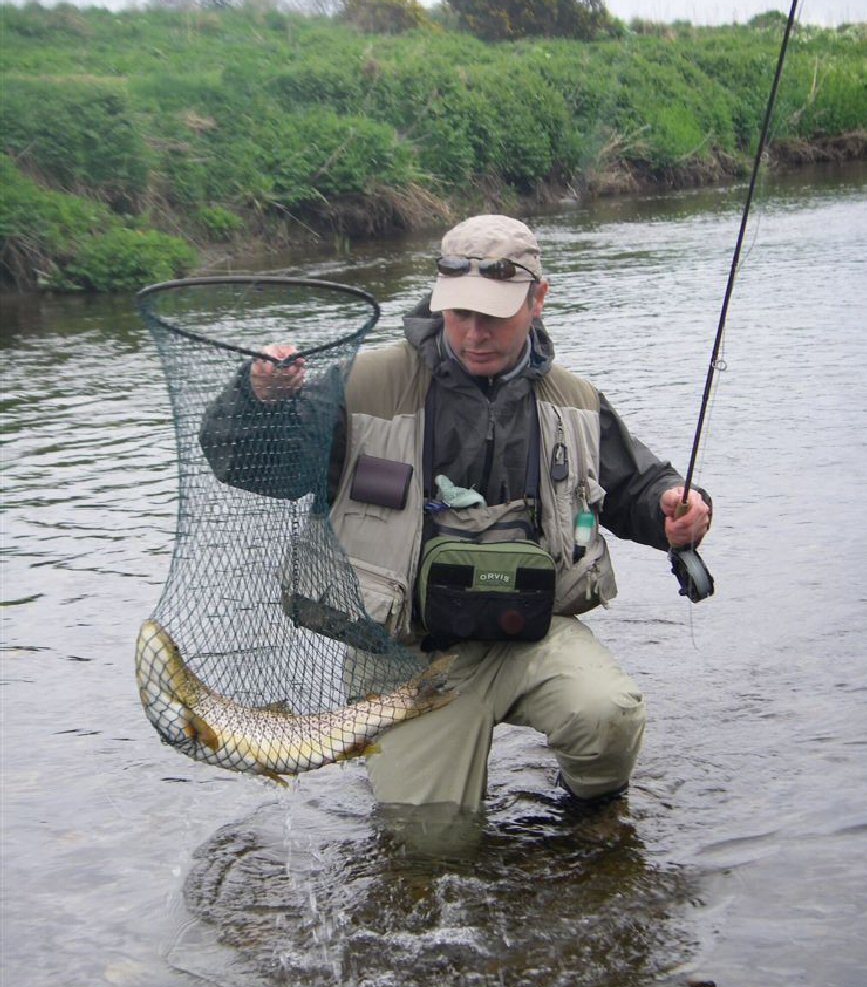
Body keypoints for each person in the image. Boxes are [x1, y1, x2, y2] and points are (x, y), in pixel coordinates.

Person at [200, 215, 710, 814]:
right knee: (432, 843)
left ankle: (589, 823)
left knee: (609, 717)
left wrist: (677, 509)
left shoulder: (574, 401)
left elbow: (638, 487)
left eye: (494, 315)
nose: (473, 333)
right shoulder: (362, 387)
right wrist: (260, 403)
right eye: (460, 313)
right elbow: (254, 467)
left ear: (537, 300)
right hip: (406, 658)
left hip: (531, 635)